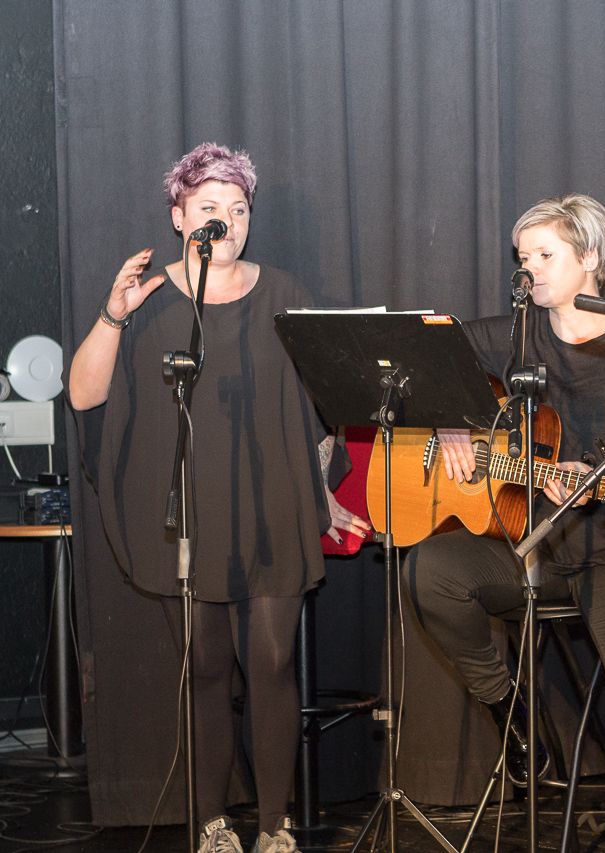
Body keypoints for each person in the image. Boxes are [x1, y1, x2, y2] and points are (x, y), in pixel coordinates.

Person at [68, 143, 369, 853]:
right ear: (179, 217)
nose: (226, 221)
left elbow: (330, 404)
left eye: (238, 209)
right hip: (187, 511)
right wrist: (113, 316)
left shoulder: (286, 292)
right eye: (209, 207)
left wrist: (323, 491)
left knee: (271, 662)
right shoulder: (148, 299)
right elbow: (83, 395)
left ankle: (273, 826)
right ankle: (211, 822)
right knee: (205, 668)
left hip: (274, 504)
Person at [401, 193, 605, 852]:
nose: (527, 269)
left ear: (590, 257)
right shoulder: (518, 332)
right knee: (431, 571)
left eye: (544, 254)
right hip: (541, 546)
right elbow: (424, 348)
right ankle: (513, 715)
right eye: (522, 256)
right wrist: (448, 417)